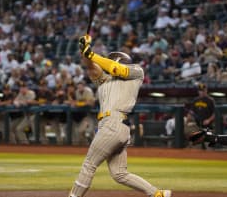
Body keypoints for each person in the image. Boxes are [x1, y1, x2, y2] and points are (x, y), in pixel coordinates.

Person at [67, 35, 172, 197]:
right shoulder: (105, 80)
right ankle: (158, 194)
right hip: (114, 126)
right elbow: (91, 67)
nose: (105, 66)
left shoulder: (136, 71)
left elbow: (117, 69)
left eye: (109, 61)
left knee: (89, 164)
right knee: (119, 174)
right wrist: (85, 50)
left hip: (114, 124)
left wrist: (92, 54)